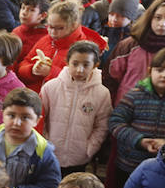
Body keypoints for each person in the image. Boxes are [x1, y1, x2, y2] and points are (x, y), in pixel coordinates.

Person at [109, 47, 165, 188]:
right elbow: (115, 122)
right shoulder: (134, 95)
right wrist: (140, 141)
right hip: (130, 162)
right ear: (150, 71)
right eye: (159, 70)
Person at [39, 41, 111, 175]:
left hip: (79, 157)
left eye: (86, 65)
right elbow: (40, 117)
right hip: (51, 153)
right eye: (75, 63)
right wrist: (45, 142)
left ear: (95, 65)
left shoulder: (102, 93)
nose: (79, 70)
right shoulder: (51, 87)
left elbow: (102, 125)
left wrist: (90, 148)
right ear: (67, 62)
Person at [17, 0, 107, 93]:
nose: (53, 32)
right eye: (50, 27)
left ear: (73, 25)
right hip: (34, 96)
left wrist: (50, 72)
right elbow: (23, 66)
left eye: (59, 28)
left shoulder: (83, 49)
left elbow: (82, 81)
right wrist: (32, 70)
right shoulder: (46, 40)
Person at [12, 0, 50, 65]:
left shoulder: (46, 36)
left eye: (31, 10)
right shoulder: (16, 32)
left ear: (42, 15)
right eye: (23, 8)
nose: (24, 13)